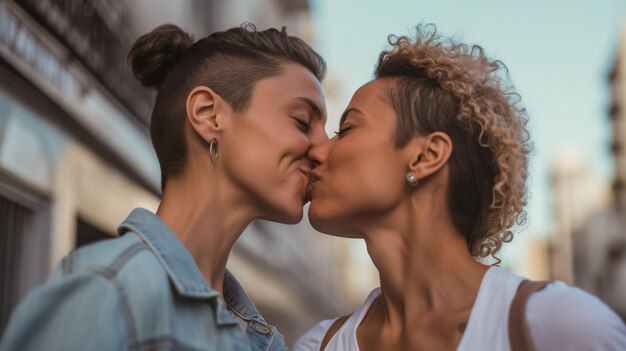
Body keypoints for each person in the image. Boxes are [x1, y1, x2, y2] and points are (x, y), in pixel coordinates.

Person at [295, 25, 626, 351]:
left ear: (427, 155)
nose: (318, 150)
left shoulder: (558, 327)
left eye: (348, 128)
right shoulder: (316, 346)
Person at [0, 23, 327, 351]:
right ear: (207, 114)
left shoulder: (263, 340)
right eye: (302, 121)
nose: (323, 149)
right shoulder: (105, 292)